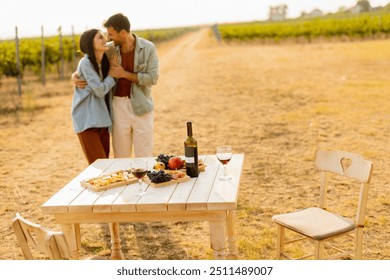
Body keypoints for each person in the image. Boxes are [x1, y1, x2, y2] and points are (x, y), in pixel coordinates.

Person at [73, 13, 159, 158]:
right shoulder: (110, 49)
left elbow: (153, 79)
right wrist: (75, 75)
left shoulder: (148, 48)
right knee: (121, 155)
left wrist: (124, 74)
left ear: (123, 33)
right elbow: (90, 56)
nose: (108, 38)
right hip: (117, 106)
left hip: (142, 105)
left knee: (144, 154)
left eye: (111, 34)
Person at [71, 29, 116, 164]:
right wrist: (112, 75)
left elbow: (124, 40)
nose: (105, 39)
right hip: (87, 121)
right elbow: (100, 91)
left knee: (105, 165)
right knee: (99, 166)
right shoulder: (85, 62)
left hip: (102, 120)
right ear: (90, 43)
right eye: (100, 37)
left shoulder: (104, 60)